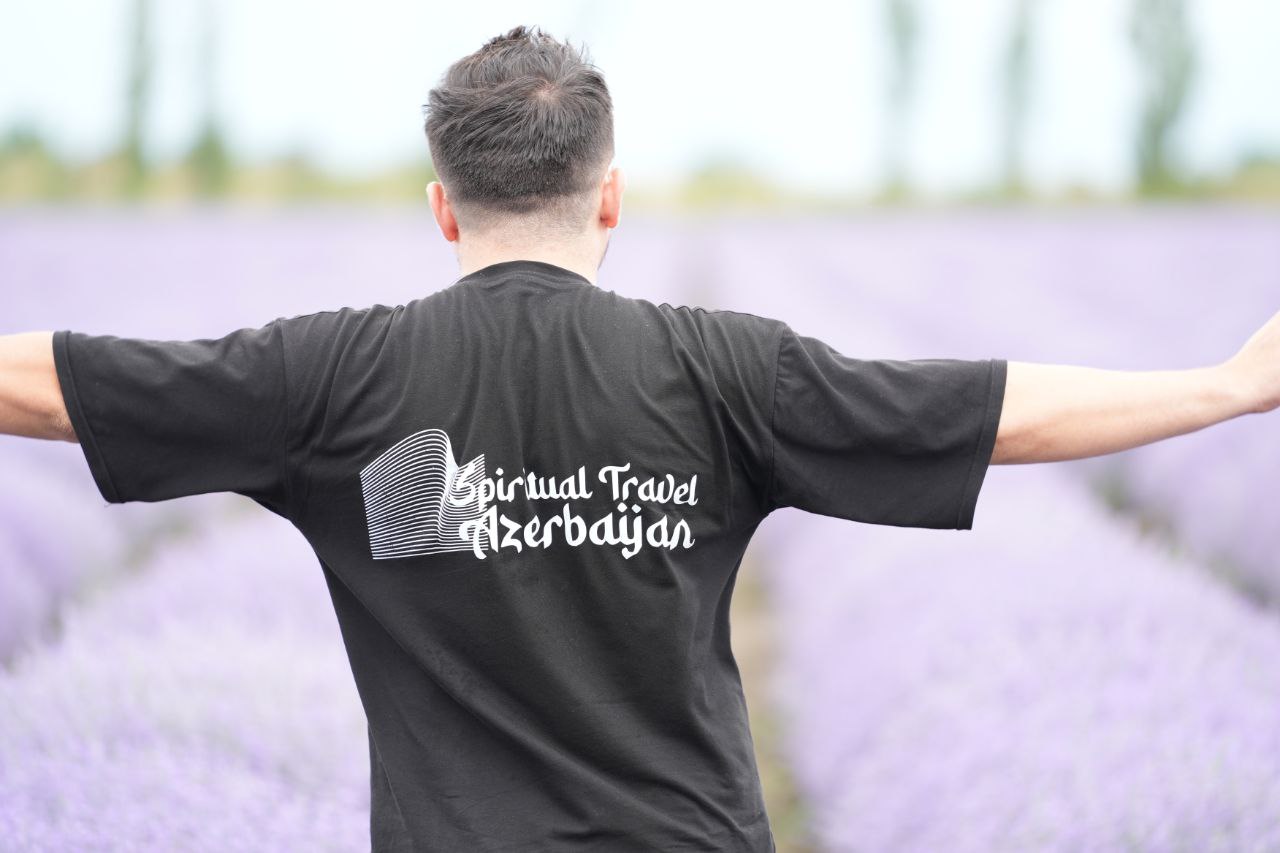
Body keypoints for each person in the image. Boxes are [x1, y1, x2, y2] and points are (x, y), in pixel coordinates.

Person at [1, 23, 1277, 853]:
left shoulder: (329, 376)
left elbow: (63, 389)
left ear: (441, 206)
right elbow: (990, 412)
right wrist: (1224, 387)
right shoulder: (725, 369)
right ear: (609, 194)